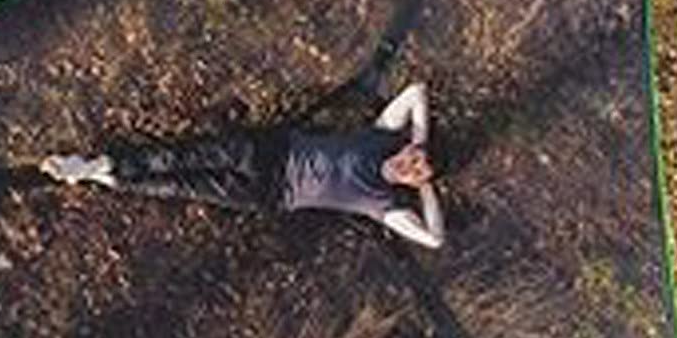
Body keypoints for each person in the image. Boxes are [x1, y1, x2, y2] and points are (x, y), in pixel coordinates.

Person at [40, 81, 445, 249]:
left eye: (417, 171)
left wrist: (426, 189)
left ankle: (106, 176)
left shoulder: (383, 204)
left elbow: (433, 239)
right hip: (270, 151)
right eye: (414, 157)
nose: (409, 165)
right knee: (183, 156)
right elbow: (416, 91)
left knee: (183, 186)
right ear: (408, 146)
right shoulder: (381, 135)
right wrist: (420, 138)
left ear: (415, 184)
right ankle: (98, 164)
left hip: (269, 193)